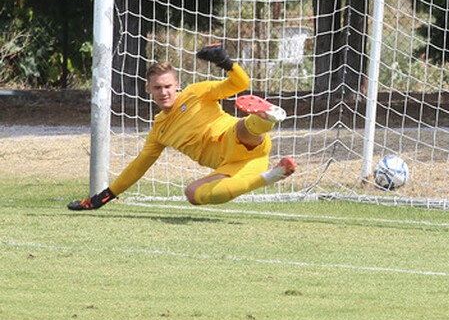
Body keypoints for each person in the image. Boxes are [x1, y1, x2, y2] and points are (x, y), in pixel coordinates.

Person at [68, 42, 297, 210]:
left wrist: (224, 61)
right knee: (193, 194)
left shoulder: (196, 93)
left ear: (177, 84)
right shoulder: (159, 131)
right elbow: (138, 167)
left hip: (238, 139)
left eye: (168, 86)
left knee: (240, 129)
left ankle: (266, 118)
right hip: (235, 166)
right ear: (148, 89)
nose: (164, 92)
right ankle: (271, 175)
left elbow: (241, 83)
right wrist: (103, 198)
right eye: (157, 88)